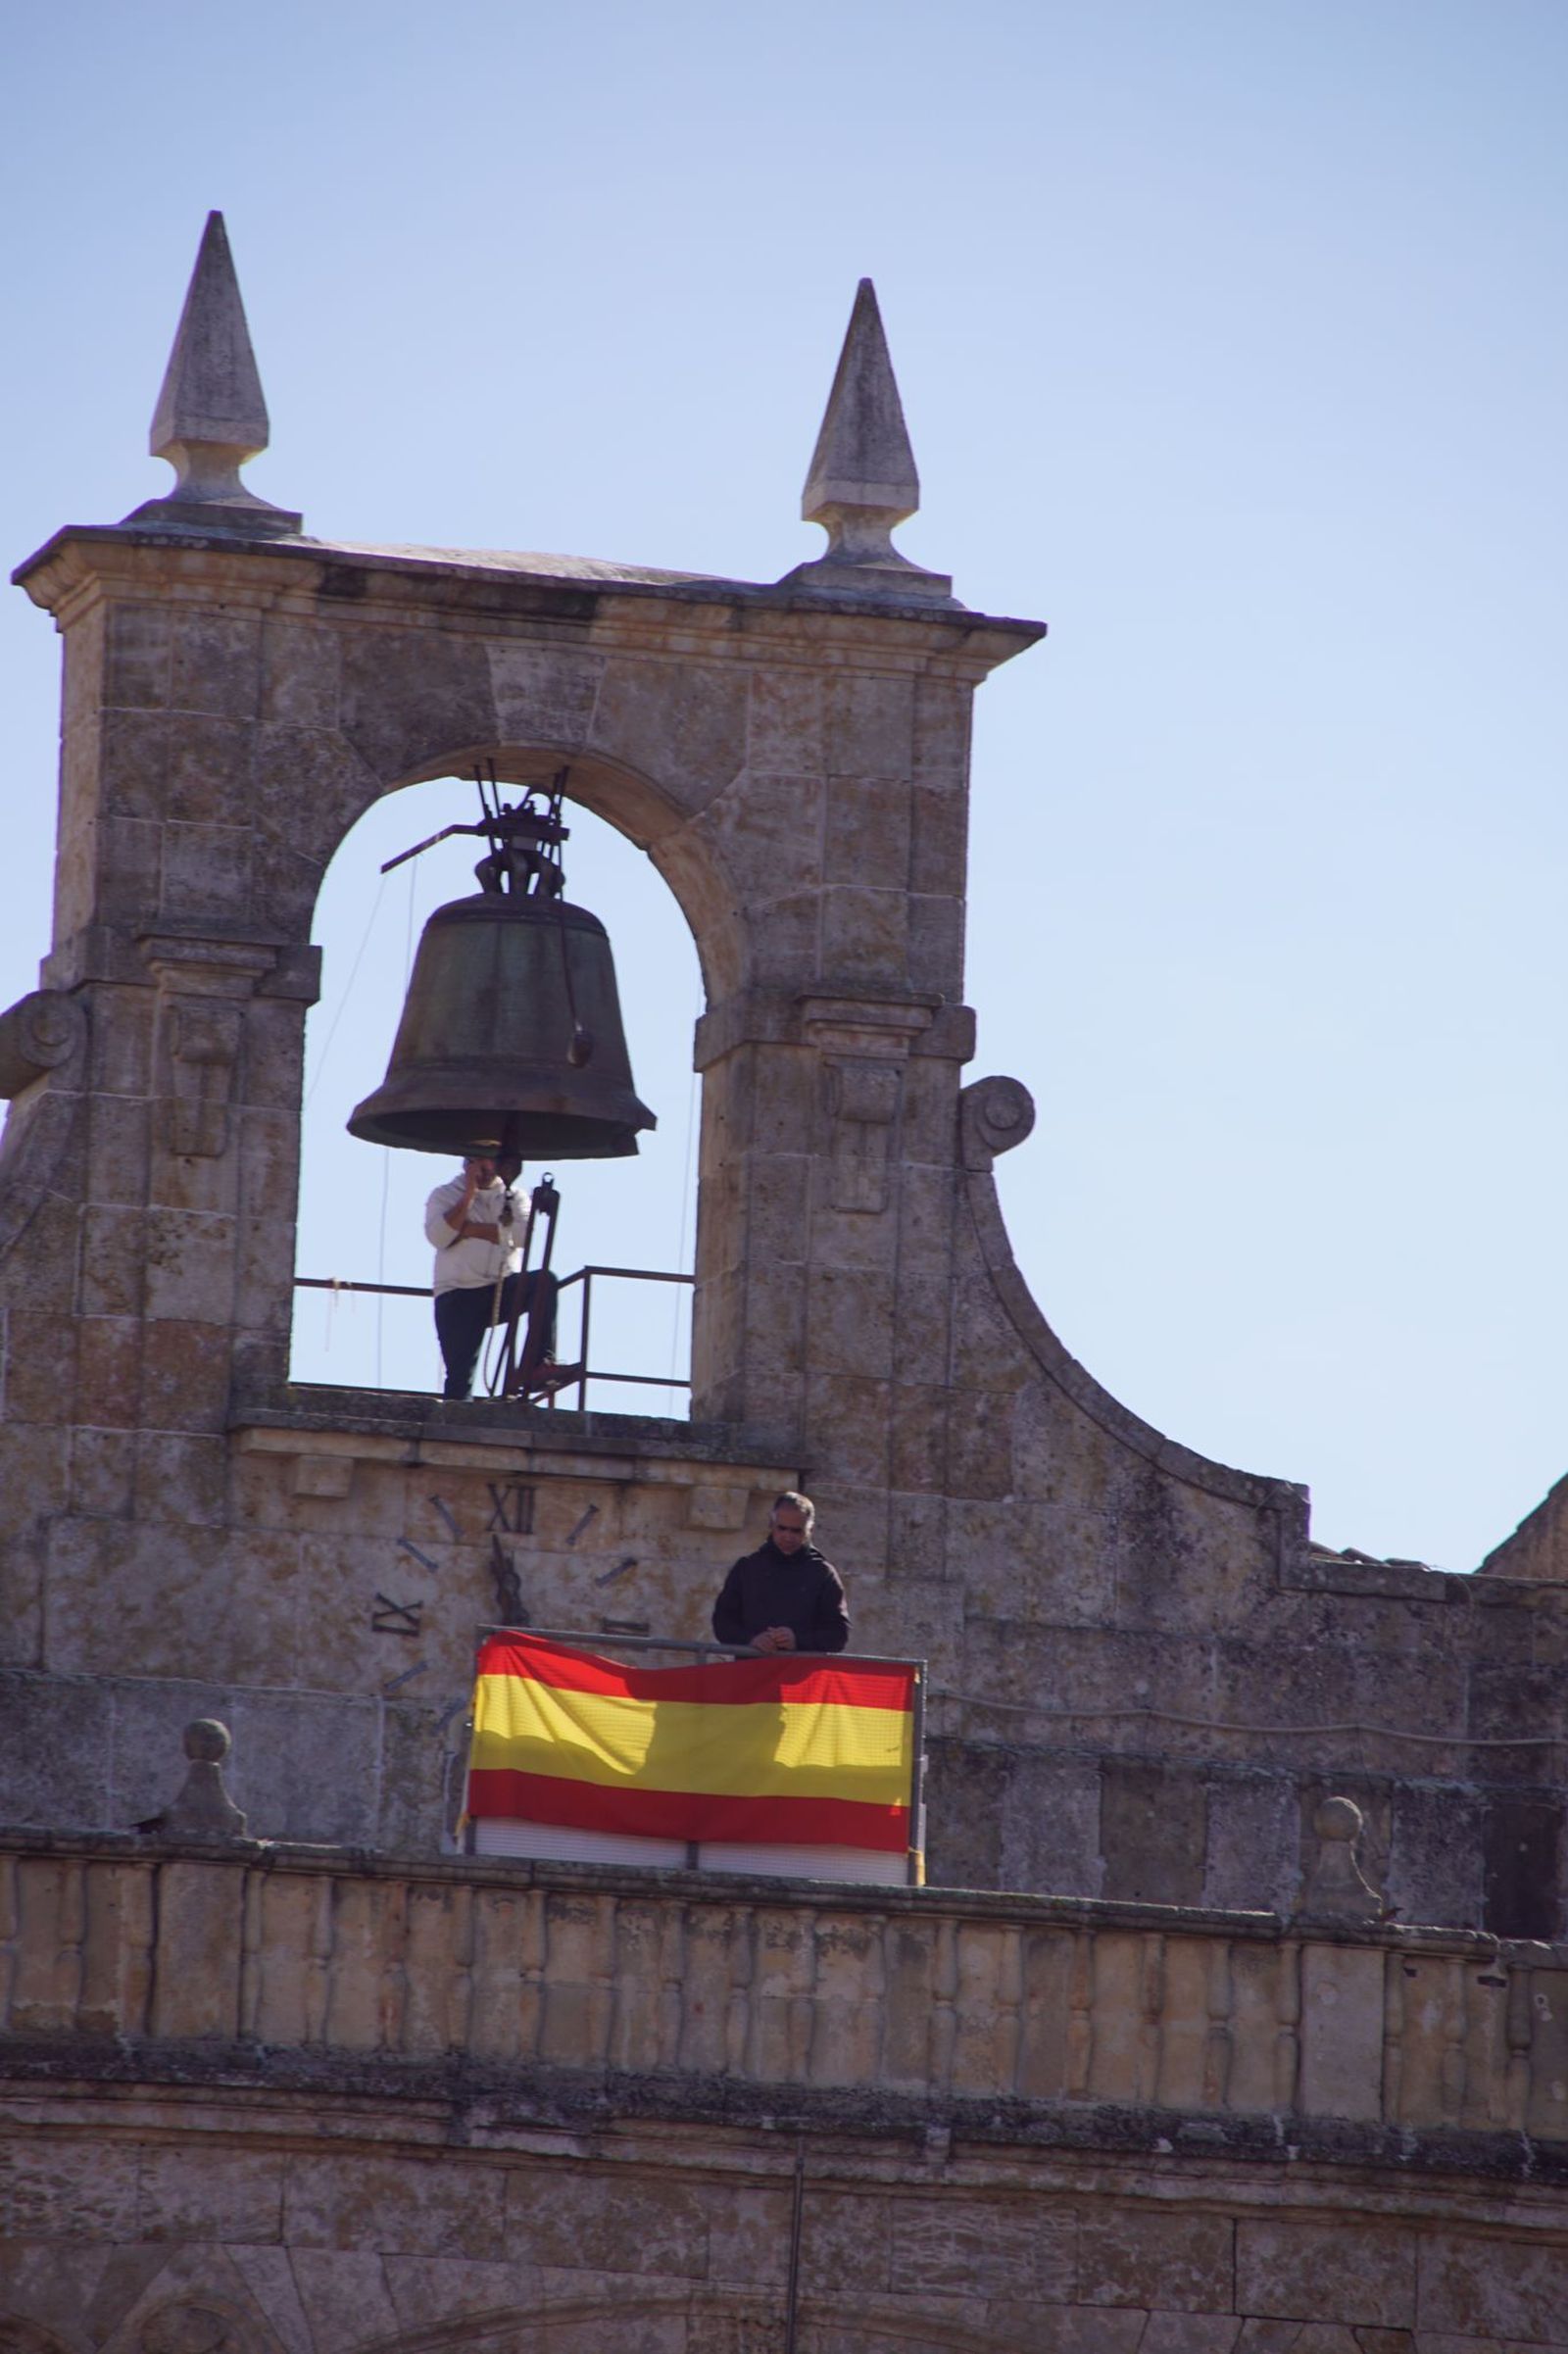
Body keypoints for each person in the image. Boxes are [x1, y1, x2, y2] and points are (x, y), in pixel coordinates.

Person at [423, 1142, 560, 1400]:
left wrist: (470, 1230)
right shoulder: (444, 1195)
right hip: (458, 1295)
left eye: (490, 1161)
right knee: (460, 1378)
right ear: (467, 1164)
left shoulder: (514, 1196)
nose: (485, 1168)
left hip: (501, 1286)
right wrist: (468, 1197)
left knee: (544, 1281)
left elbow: (524, 1235)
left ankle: (537, 1363)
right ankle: (457, 1428)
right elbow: (440, 1236)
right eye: (478, 1161)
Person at [711, 1492, 850, 1654]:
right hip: (753, 1670)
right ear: (771, 1524)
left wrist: (798, 1641)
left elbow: (838, 1634)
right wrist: (751, 1640)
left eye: (796, 1531)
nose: (788, 1537)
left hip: (799, 1673)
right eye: (782, 1528)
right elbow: (723, 1622)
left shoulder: (822, 1573)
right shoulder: (747, 1568)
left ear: (809, 1530)